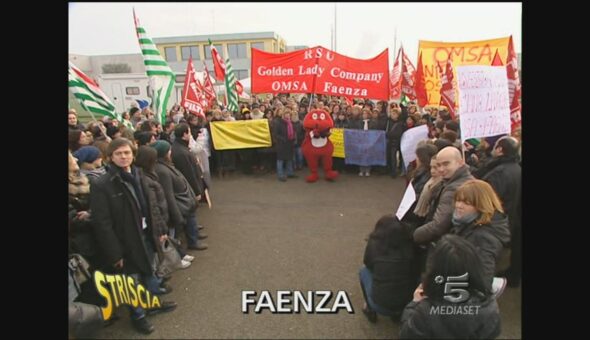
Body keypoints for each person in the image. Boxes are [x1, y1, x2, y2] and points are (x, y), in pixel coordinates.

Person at [90, 138, 177, 334]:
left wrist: (161, 230)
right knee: (131, 281)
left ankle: (151, 304)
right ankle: (138, 316)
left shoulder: (138, 174)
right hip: (125, 242)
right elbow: (102, 224)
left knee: (150, 272)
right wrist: (115, 253)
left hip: (146, 234)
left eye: (127, 153)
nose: (123, 157)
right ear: (110, 157)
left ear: (133, 155)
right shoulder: (102, 184)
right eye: (119, 153)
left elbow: (151, 206)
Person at [400, 234, 501, 339]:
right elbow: (493, 333)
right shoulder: (490, 307)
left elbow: (406, 334)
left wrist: (413, 304)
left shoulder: (424, 311)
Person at [476, 136, 522, 287]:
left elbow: (487, 200)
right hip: (508, 218)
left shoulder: (499, 173)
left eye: (496, 145)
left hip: (494, 222)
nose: (493, 148)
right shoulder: (515, 167)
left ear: (500, 150)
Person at [450, 180, 511, 284]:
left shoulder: (483, 237)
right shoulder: (466, 223)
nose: (459, 205)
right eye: (458, 200)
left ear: (481, 204)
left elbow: (483, 280)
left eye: (466, 202)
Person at [360, 215, 416, 323]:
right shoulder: (409, 247)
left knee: (363, 271)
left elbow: (367, 263)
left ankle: (369, 308)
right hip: (404, 303)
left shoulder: (374, 245)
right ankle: (397, 314)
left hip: (379, 304)